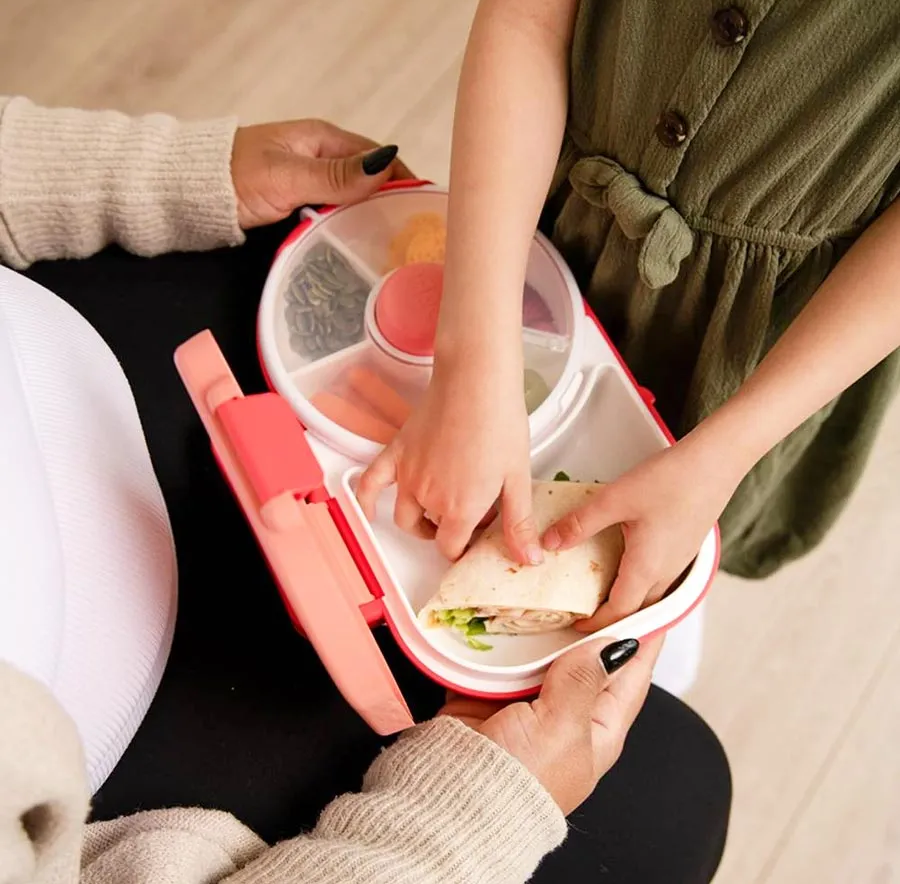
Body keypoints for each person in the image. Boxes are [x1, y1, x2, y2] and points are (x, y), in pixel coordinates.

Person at [0, 95, 731, 882]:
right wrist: (460, 822)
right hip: (104, 766)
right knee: (673, 787)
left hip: (66, 351)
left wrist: (87, 174)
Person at [357, 0, 900, 631]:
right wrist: (472, 357)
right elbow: (525, 16)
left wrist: (724, 455)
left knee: (657, 548)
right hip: (541, 214)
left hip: (776, 345)